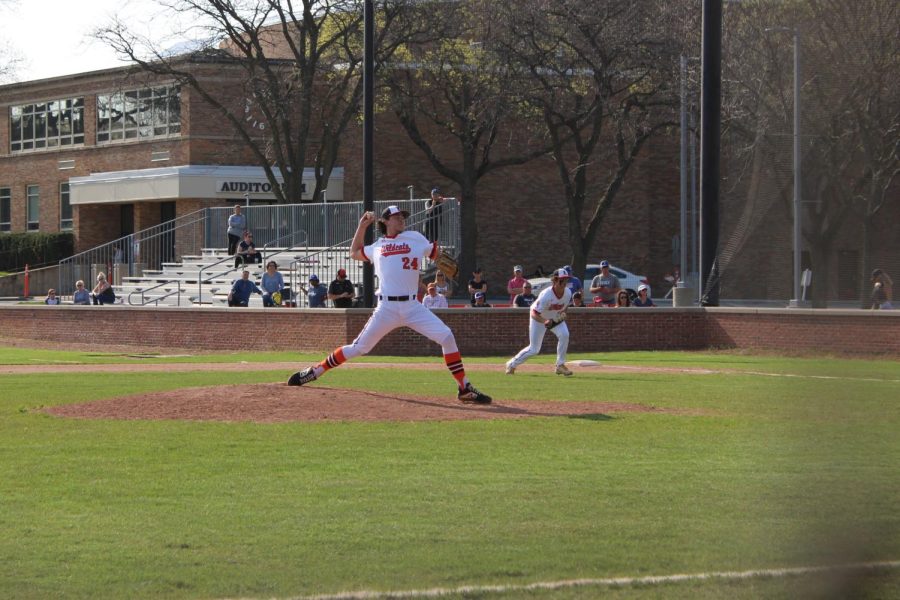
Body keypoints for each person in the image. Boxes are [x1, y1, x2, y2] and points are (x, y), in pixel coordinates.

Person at [288, 205, 491, 404]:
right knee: (358, 348)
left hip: (413, 307)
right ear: (385, 221)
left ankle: (464, 388)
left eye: (403, 216)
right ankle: (315, 371)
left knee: (447, 337)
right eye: (397, 216)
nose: (402, 219)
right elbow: (354, 253)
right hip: (386, 308)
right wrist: (362, 226)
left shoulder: (415, 238)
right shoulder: (377, 246)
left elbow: (436, 253)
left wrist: (443, 259)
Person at [505, 268, 574, 377]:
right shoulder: (546, 294)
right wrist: (545, 321)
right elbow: (534, 313)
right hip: (539, 318)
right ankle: (511, 364)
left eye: (566, 280)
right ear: (555, 281)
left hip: (553, 317)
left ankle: (560, 365)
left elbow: (565, 307)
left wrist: (562, 315)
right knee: (534, 349)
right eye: (562, 280)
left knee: (565, 334)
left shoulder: (568, 292)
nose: (564, 283)